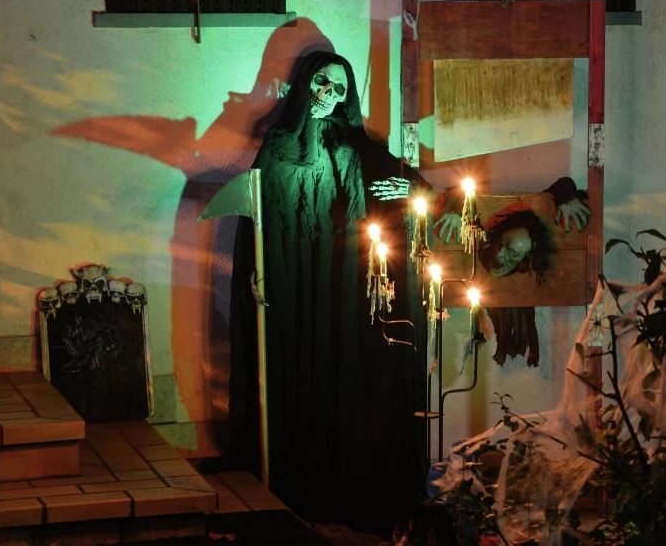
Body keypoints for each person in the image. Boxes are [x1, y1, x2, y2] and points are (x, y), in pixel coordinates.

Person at [223, 51, 427, 533]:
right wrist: (255, 271)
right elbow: (256, 217)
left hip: (344, 287)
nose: (328, 94)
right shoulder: (277, 146)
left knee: (345, 372)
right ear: (304, 83)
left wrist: (413, 192)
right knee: (299, 365)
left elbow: (413, 188)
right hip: (295, 285)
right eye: (321, 81)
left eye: (339, 88)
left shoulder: (357, 145)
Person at [432, 178, 591, 367]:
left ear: (526, 261)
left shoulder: (528, 268)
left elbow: (563, 185)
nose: (500, 254)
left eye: (513, 253)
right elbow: (460, 189)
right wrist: (458, 212)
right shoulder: (484, 236)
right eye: (502, 243)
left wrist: (569, 198)